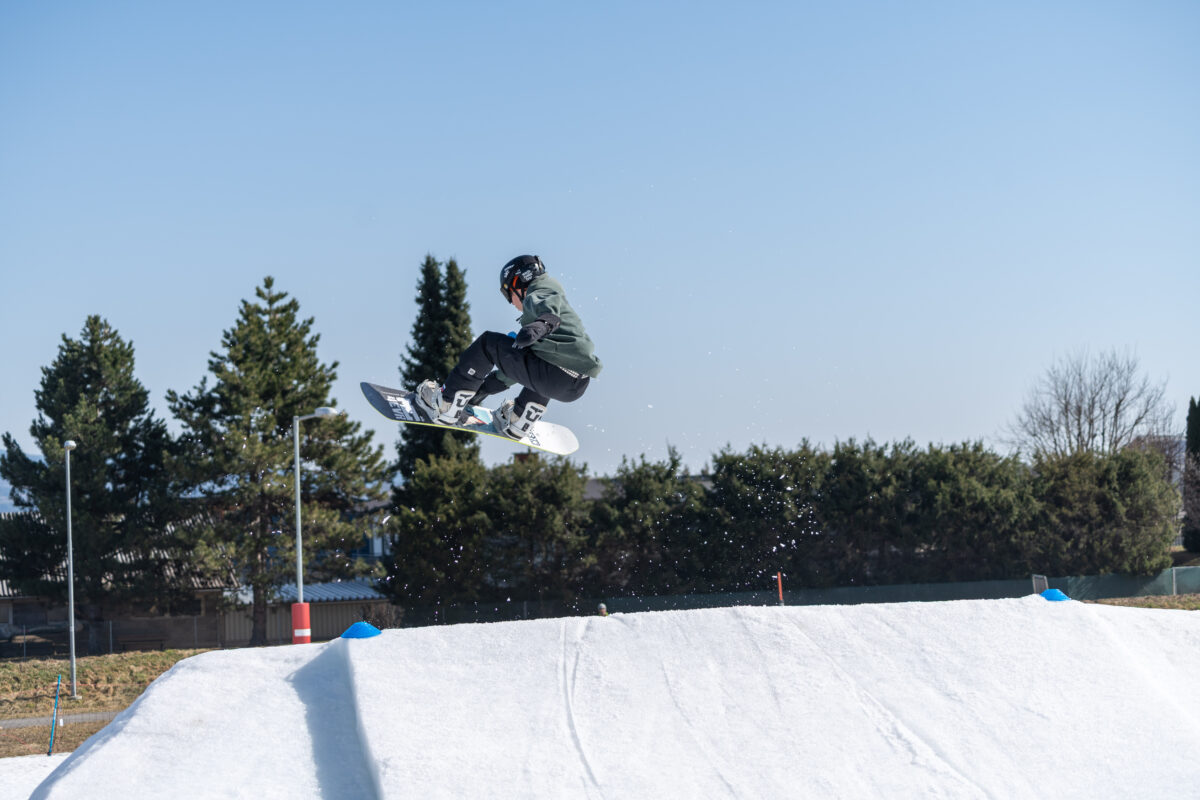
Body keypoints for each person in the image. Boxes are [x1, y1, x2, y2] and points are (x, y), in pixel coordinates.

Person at [414, 254, 603, 439]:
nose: (511, 302)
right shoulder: (558, 302)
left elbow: (549, 312)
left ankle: (446, 404)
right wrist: (484, 389)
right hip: (573, 384)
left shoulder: (540, 292)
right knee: (536, 358)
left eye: (508, 294)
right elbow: (517, 368)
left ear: (518, 283)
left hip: (552, 373)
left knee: (488, 343)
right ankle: (518, 419)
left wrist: (543, 325)